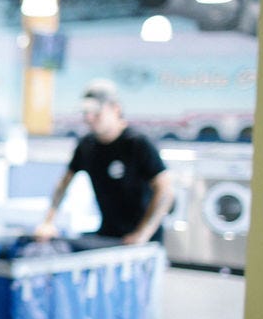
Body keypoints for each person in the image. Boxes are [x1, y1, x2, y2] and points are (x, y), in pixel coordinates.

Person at [35, 78, 174, 244]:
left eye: (96, 113)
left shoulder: (137, 144)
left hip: (144, 242)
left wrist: (143, 234)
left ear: (115, 109)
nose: (89, 118)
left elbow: (165, 190)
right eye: (86, 113)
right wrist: (48, 222)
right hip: (108, 235)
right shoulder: (87, 145)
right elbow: (63, 184)